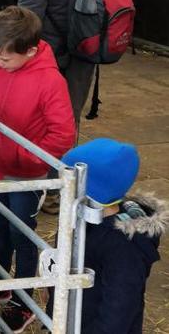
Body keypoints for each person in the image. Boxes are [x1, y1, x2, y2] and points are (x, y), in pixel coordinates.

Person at [0, 6, 76, 333]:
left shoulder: (50, 81)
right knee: (0, 224)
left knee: (23, 232)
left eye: (5, 59)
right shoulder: (0, 67)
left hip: (27, 175)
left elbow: (62, 134)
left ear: (31, 50)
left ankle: (24, 300)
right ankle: (0, 278)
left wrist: (28, 159)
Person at [60, 138, 165, 334]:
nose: (60, 189)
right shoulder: (82, 221)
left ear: (89, 191)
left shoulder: (124, 248)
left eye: (68, 183)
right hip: (75, 321)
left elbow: (118, 312)